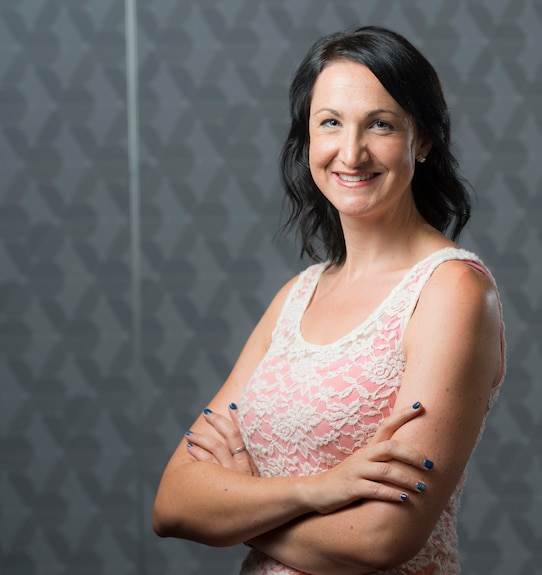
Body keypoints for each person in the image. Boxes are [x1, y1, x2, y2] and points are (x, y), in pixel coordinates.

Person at [152, 25, 505, 575]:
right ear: (308, 138)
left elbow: (381, 539)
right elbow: (174, 504)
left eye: (381, 124)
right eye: (331, 123)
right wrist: (316, 491)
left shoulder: (453, 292)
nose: (351, 151)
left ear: (424, 140)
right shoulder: (296, 295)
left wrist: (241, 501)